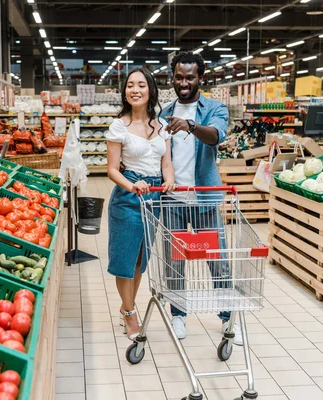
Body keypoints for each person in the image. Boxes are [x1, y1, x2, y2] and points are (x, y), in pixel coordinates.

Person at [159, 51, 241, 344]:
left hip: (205, 199)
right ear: (173, 77)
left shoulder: (214, 108)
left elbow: (216, 136)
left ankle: (228, 318)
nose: (183, 82)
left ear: (200, 78)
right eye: (179, 76)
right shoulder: (163, 111)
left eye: (189, 77)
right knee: (175, 262)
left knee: (217, 261)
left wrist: (190, 126)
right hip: (172, 200)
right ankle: (178, 315)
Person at [107, 67, 177, 340]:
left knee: (140, 259)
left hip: (154, 195)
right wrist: (131, 184)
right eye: (130, 85)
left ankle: (128, 307)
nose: (135, 90)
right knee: (125, 259)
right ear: (125, 92)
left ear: (150, 90)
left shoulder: (162, 127)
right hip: (128, 196)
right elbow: (112, 169)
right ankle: (128, 312)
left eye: (141, 85)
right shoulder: (119, 126)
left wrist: (168, 179)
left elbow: (167, 163)